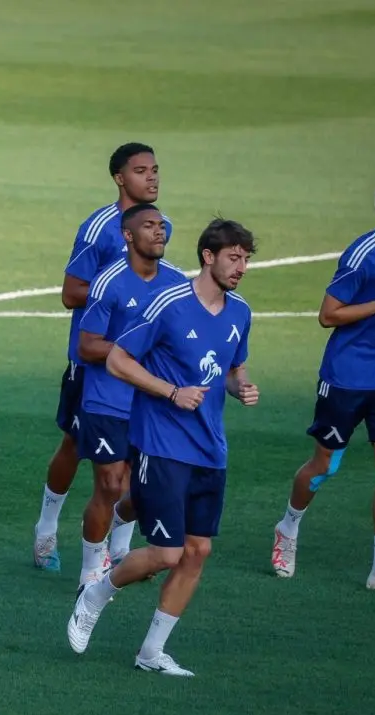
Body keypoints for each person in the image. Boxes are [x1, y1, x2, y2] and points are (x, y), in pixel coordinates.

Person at [67, 219, 258, 677]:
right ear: (208, 257)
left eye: (246, 259)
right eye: (234, 257)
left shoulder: (240, 312)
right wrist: (171, 392)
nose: (241, 267)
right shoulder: (168, 304)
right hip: (162, 444)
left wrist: (242, 387)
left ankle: (151, 652)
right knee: (167, 553)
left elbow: (232, 368)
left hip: (210, 448)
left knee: (198, 551)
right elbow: (118, 360)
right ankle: (96, 593)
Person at [271, 174, 375, 592]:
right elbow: (329, 315)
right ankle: (288, 527)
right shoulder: (362, 255)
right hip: (345, 377)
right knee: (324, 464)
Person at [34, 143, 168, 573]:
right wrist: (117, 291)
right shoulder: (99, 229)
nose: (152, 177)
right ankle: (46, 528)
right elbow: (70, 292)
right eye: (141, 170)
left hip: (136, 369)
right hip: (92, 364)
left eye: (155, 169)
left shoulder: (158, 225)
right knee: (74, 445)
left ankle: (120, 549)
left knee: (132, 458)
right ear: (119, 178)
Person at [73, 204, 187, 589]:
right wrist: (132, 353)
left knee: (143, 490)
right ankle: (92, 568)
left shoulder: (177, 283)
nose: (159, 232)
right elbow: (88, 345)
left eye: (161, 226)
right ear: (127, 236)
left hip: (153, 401)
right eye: (149, 226)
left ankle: (120, 536)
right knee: (109, 484)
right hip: (107, 397)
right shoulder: (109, 281)